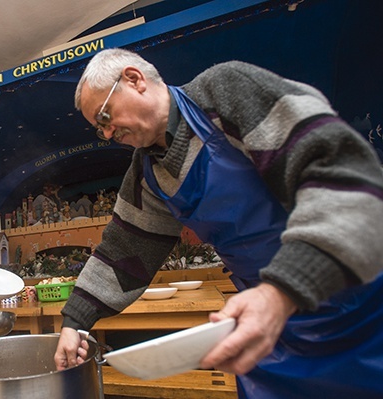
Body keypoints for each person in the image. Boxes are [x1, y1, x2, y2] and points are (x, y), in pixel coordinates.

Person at [54, 48, 383, 398]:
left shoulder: (226, 91)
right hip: (264, 325)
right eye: (99, 128)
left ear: (134, 80)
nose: (106, 134)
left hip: (356, 301)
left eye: (105, 117)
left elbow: (345, 180)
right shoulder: (147, 175)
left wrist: (281, 292)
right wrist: (75, 322)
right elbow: (123, 254)